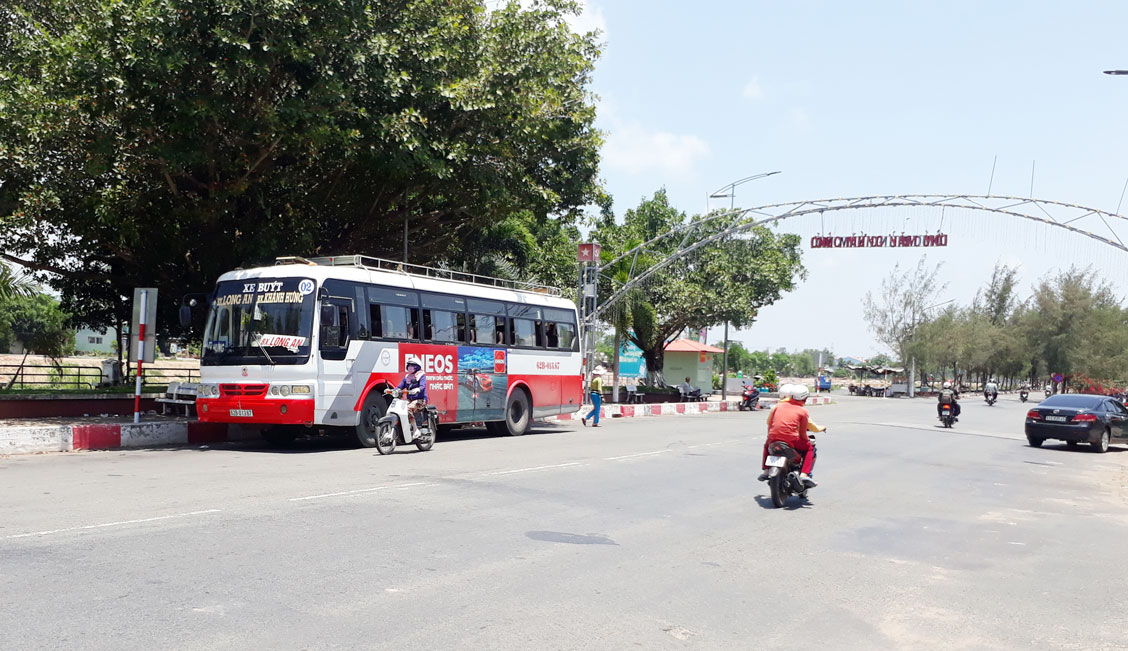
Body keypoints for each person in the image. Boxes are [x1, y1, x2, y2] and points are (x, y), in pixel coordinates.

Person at [758, 384, 818, 488]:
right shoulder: (803, 411)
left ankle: (766, 470)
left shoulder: (777, 406)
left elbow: (770, 423)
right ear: (805, 398)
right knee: (809, 448)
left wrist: (770, 437)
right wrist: (807, 440)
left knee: (766, 446)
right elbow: (803, 433)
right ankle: (804, 474)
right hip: (791, 440)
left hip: (773, 437)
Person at [397, 356, 429, 433]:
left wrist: (418, 389)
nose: (410, 367)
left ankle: (415, 430)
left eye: (412, 366)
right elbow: (400, 386)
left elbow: (422, 386)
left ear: (417, 367)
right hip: (410, 399)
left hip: (420, 400)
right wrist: (394, 390)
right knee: (399, 408)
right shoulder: (407, 377)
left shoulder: (421, 376)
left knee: (408, 409)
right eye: (409, 366)